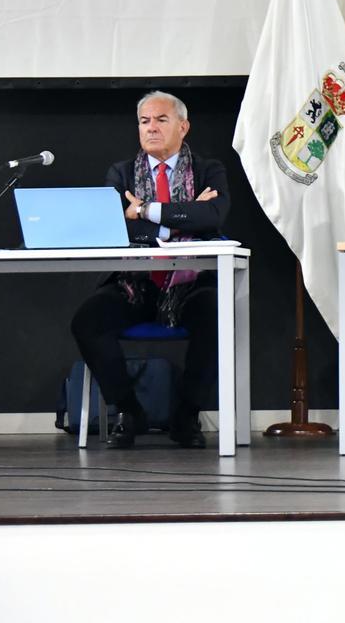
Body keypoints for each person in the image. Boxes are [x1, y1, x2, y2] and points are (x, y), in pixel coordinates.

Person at [70, 91, 230, 448]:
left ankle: (186, 416)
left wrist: (143, 211)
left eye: (161, 120)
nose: (151, 128)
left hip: (190, 283)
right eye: (144, 121)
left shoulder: (208, 170)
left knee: (215, 314)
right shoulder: (122, 173)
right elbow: (112, 226)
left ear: (183, 127)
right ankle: (129, 411)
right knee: (88, 321)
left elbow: (213, 216)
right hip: (136, 283)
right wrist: (183, 217)